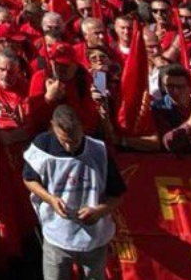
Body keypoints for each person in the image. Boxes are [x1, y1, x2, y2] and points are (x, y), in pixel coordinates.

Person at [22, 104, 126, 280]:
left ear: (81, 128)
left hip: (94, 240)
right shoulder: (42, 146)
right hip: (56, 236)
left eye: (75, 140)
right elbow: (29, 179)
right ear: (53, 127)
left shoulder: (98, 151)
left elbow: (118, 195)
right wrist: (51, 199)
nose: (70, 148)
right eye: (65, 141)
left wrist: (99, 211)